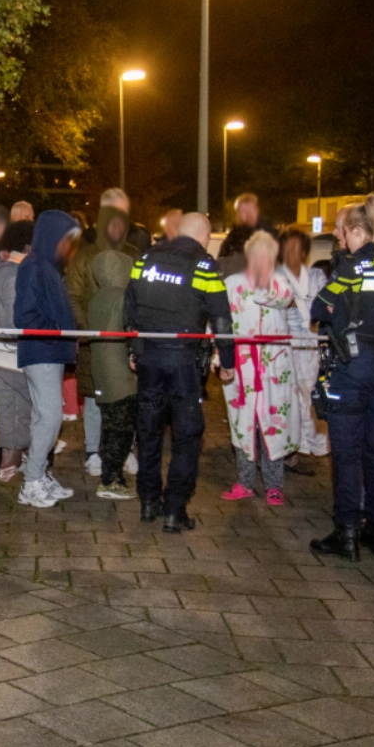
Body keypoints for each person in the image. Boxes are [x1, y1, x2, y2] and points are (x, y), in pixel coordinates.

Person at [310, 194, 374, 560]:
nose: (340, 240)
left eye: (343, 233)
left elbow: (319, 306)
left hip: (354, 368)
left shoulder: (354, 268)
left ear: (356, 231)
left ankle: (346, 532)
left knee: (347, 454)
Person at [124, 212, 235, 533]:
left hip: (148, 360)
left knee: (148, 431)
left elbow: (128, 306)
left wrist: (133, 348)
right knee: (187, 437)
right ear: (204, 237)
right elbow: (222, 319)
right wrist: (227, 361)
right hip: (184, 365)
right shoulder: (203, 266)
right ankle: (174, 509)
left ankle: (147, 501)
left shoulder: (145, 260)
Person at [218, 231, 300, 506]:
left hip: (274, 369)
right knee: (244, 426)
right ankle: (244, 482)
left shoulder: (280, 282)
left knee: (273, 425)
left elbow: (278, 297)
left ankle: (274, 485)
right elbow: (219, 324)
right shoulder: (231, 284)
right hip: (242, 367)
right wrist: (221, 360)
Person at [67, 188, 139, 479]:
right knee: (97, 399)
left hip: (127, 344)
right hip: (95, 343)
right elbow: (72, 295)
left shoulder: (135, 254)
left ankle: (124, 450)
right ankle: (93, 451)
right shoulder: (84, 255)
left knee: (127, 398)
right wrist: (90, 333)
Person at [14, 210, 83, 508]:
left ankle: (38, 475)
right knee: (50, 416)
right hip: (41, 350)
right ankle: (31, 482)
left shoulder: (46, 266)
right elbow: (24, 316)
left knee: (46, 416)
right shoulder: (35, 266)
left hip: (49, 351)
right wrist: (57, 331)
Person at [86, 245, 139, 500]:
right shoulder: (121, 297)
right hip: (118, 371)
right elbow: (129, 330)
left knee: (109, 425)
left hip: (102, 368)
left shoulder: (99, 296)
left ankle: (109, 473)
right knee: (122, 427)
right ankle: (111, 479)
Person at [0, 220, 34, 482]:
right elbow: (19, 317)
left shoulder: (1, 269)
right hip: (14, 346)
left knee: (8, 403)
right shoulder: (15, 274)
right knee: (15, 405)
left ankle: (12, 457)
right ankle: (10, 462)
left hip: (0, 344)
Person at [278, 228, 329, 464]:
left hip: (309, 344)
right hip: (284, 343)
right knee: (288, 395)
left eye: (297, 248)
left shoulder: (317, 275)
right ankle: (290, 449)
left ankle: (310, 446)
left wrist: (296, 303)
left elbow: (321, 308)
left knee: (307, 394)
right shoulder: (276, 276)